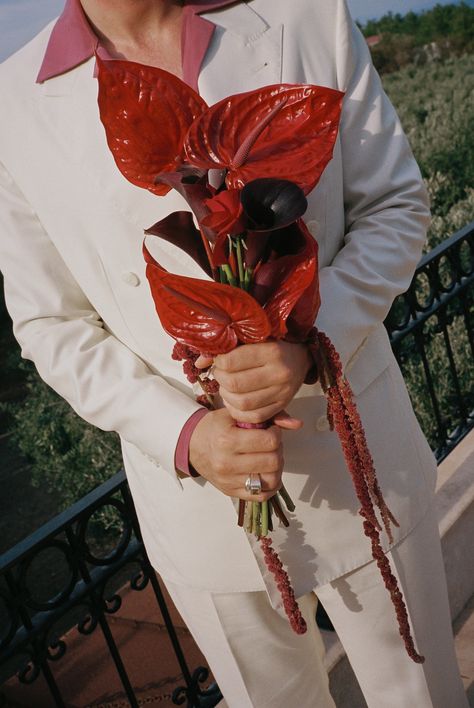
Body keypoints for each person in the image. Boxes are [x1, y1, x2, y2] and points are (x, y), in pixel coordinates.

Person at [0, 1, 468, 706]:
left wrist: (313, 340)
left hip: (359, 462)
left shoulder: (304, 16)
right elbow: (49, 322)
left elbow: (395, 205)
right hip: (201, 511)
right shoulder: (14, 104)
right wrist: (186, 434)